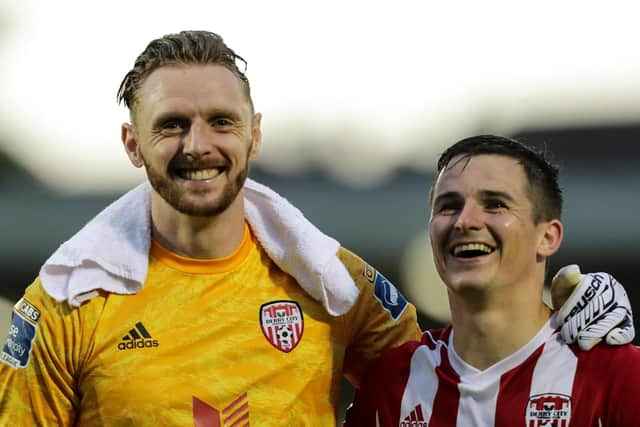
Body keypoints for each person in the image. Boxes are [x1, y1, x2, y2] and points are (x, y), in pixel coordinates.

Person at [0, 32, 631, 426]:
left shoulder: (336, 285)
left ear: (255, 134)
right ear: (132, 144)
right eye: (171, 125)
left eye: (221, 121)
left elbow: (465, 362)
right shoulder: (61, 309)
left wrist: (569, 310)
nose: (198, 145)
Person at [343, 135, 638, 426]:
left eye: (495, 204)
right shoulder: (390, 384)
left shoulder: (618, 375)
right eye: (448, 206)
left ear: (547, 237)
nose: (464, 221)